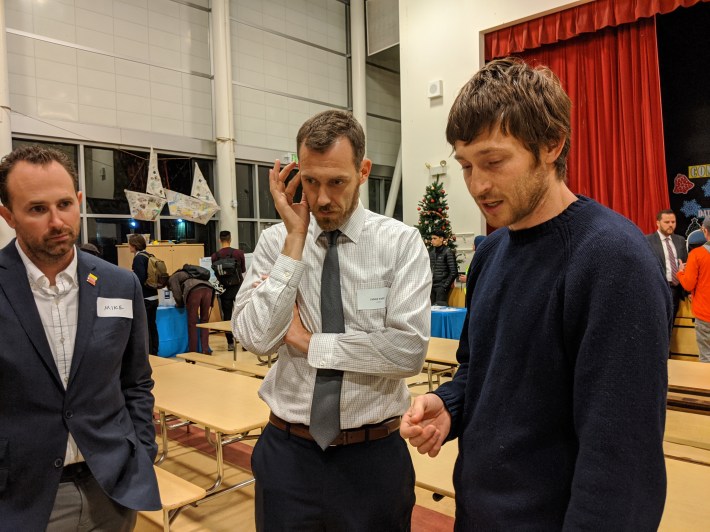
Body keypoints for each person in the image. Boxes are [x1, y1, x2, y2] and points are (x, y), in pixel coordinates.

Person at [401, 58, 671, 530]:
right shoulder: (490, 252)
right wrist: (450, 405)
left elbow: (621, 464)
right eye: (466, 165)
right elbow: (478, 370)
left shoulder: (613, 260)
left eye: (494, 161)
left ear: (551, 144)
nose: (477, 185)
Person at [233, 110, 431, 531]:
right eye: (310, 181)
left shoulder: (400, 243)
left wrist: (310, 344)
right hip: (288, 454)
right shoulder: (277, 241)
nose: (322, 198)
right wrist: (294, 241)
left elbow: (407, 352)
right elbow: (254, 337)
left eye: (336, 182)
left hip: (372, 458)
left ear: (362, 171)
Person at [0, 144, 160, 530]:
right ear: (7, 215)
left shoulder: (120, 284)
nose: (57, 221)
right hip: (21, 495)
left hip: (112, 487)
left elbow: (136, 381)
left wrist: (140, 451)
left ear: (79, 201)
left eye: (65, 204)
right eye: (37, 209)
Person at [677, 217, 710, 362]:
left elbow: (688, 285)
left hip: (705, 314)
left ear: (704, 230)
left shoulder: (696, 255)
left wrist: (680, 272)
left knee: (706, 357)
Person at [646, 209, 688, 319]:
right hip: (658, 290)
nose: (670, 225)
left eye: (673, 222)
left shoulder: (680, 240)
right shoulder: (648, 241)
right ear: (658, 223)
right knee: (658, 323)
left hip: (676, 290)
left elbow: (685, 264)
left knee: (670, 324)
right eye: (667, 222)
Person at [211, 230, 246, 350]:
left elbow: (216, 273)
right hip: (238, 288)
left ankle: (230, 343)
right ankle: (244, 343)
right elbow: (242, 270)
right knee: (241, 314)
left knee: (227, 315)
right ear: (230, 239)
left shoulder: (215, 256)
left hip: (224, 289)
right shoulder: (239, 253)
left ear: (219, 240)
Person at [168, 266, 214, 354]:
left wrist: (180, 304)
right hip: (209, 289)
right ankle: (205, 349)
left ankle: (193, 352)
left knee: (192, 323)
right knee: (204, 321)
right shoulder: (190, 273)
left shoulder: (172, 278)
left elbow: (177, 294)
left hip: (195, 291)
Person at [128, 233, 159, 355]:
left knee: (145, 327)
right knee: (152, 325)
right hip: (154, 296)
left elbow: (139, 279)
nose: (128, 246)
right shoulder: (149, 255)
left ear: (134, 245)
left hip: (145, 298)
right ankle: (155, 351)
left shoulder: (138, 258)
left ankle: (149, 353)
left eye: (130, 244)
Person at [429, 229, 458, 305]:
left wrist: (444, 286)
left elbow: (454, 272)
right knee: (431, 311)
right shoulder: (431, 252)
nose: (432, 240)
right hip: (432, 286)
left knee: (440, 310)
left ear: (441, 239)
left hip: (441, 287)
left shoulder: (448, 252)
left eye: (435, 238)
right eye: (432, 238)